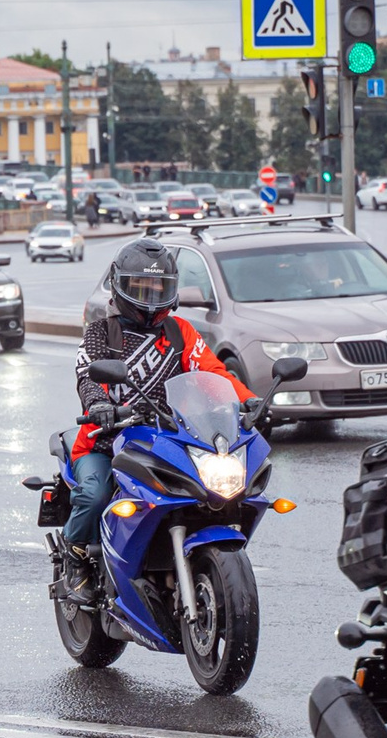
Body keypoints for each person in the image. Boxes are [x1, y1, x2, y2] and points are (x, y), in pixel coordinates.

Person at [58, 239, 256, 595]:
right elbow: (88, 377)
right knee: (95, 494)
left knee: (207, 490)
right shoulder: (101, 333)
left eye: (158, 287)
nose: (150, 296)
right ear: (121, 286)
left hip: (168, 438)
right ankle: (75, 559)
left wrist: (247, 400)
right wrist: (100, 406)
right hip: (106, 442)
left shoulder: (180, 332)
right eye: (141, 286)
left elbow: (213, 372)